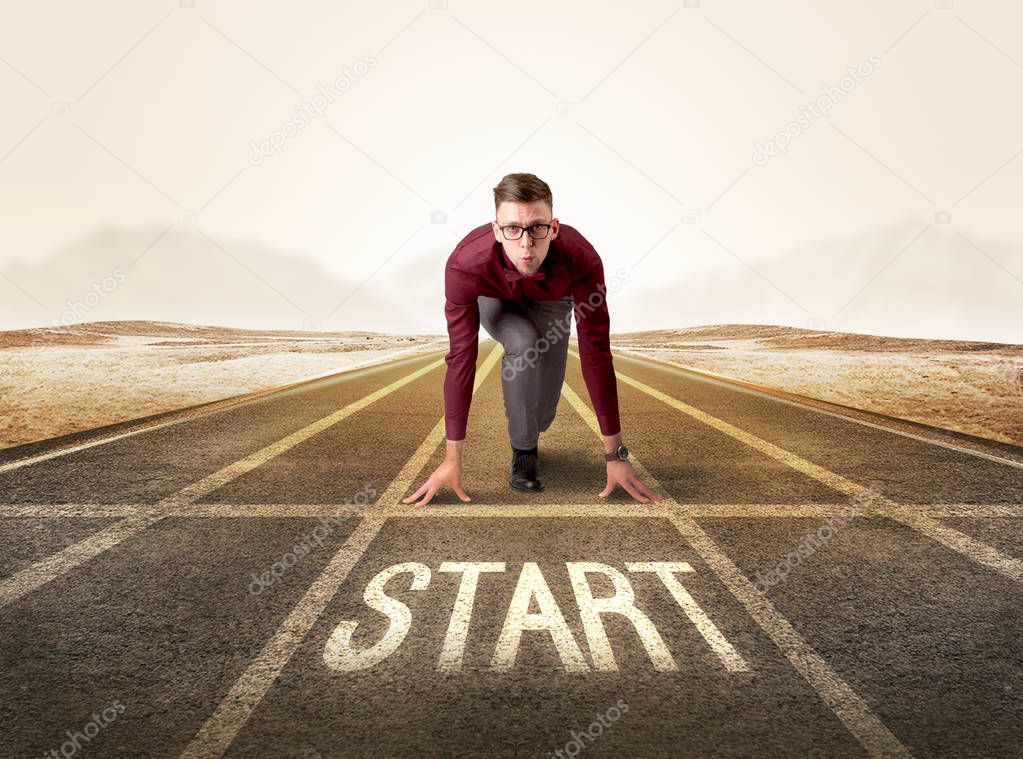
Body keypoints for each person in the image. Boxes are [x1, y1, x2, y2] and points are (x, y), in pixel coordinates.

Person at [403, 172, 661, 507]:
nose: (526, 243)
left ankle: (532, 424)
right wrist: (452, 459)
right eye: (512, 229)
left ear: (554, 228)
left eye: (537, 228)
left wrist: (616, 456)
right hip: (496, 300)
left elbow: (596, 352)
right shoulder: (464, 265)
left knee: (544, 416)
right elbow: (461, 359)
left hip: (552, 301)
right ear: (496, 230)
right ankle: (524, 454)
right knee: (524, 343)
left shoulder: (583, 260)